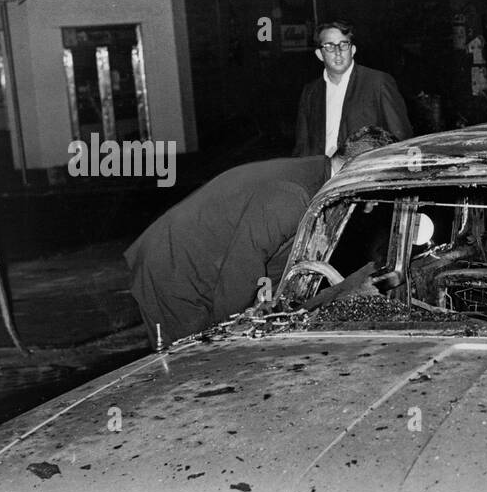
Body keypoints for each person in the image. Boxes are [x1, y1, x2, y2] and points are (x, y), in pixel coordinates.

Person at [125, 133, 367, 345]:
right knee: (193, 364)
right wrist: (226, 334)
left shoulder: (317, 178)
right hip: (176, 269)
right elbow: (240, 269)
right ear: (357, 168)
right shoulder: (293, 196)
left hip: (207, 267)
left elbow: (273, 262)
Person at [292, 20, 412, 157]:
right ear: (320, 54)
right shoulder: (311, 92)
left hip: (363, 174)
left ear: (352, 50)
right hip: (324, 176)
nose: (338, 52)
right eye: (329, 46)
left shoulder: (378, 82)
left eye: (343, 45)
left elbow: (401, 138)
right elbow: (303, 146)